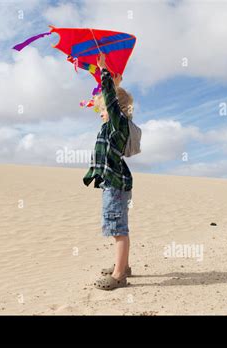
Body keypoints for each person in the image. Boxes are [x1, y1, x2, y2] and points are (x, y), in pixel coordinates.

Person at [83, 53, 134, 290]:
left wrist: (104, 70)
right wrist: (115, 84)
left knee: (117, 229)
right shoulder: (113, 124)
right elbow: (112, 101)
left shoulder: (117, 122)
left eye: (103, 108)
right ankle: (122, 265)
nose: (100, 112)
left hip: (115, 183)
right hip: (112, 182)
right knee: (117, 227)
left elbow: (112, 102)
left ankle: (119, 275)